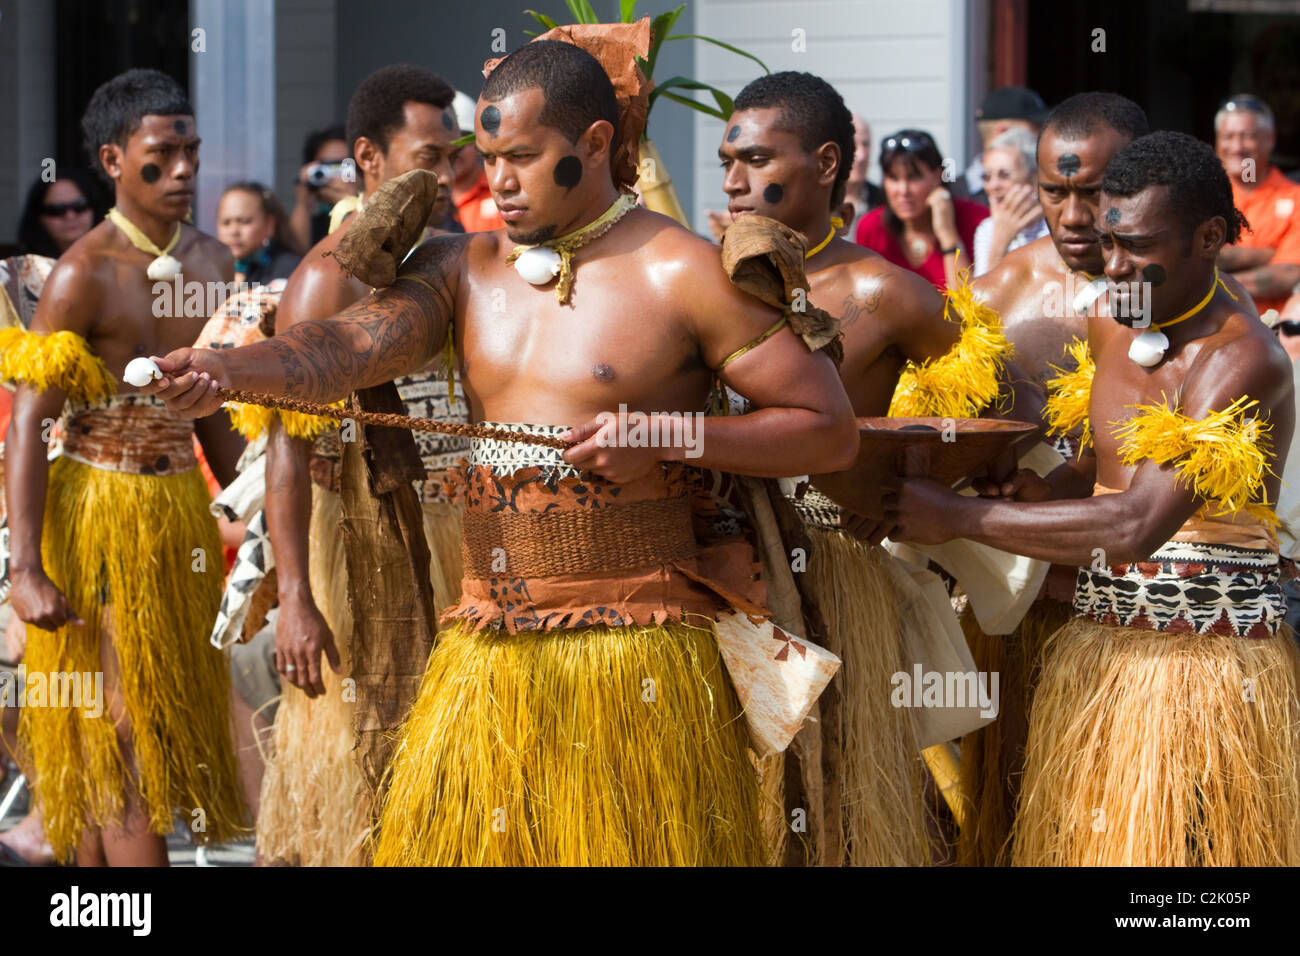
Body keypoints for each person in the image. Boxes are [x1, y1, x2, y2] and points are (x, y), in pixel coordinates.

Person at [144, 37, 858, 867]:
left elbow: (828, 428)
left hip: (639, 656)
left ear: (594, 144)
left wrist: (667, 436)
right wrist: (223, 368)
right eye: (487, 158)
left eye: (522, 157)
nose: (497, 183)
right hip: (486, 647)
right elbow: (342, 348)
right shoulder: (464, 267)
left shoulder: (682, 271)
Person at [897, 130, 1300, 866]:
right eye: (1109, 241)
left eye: (1136, 246)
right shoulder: (1117, 312)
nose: (1111, 266)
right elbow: (1108, 459)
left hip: (1204, 678)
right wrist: (1043, 489)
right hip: (1099, 657)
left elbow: (1138, 523)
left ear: (1211, 238)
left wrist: (959, 518)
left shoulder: (1243, 361)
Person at [720, 71, 1024, 865]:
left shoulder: (883, 291)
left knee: (848, 792)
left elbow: (1000, 407)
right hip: (721, 572)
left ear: (826, 163)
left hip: (838, 574)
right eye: (728, 159)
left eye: (757, 158)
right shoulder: (698, 277)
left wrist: (904, 486)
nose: (733, 180)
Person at [0, 68, 246, 866]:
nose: (183, 169)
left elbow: (210, 419)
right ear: (112, 159)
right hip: (94, 513)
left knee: (132, 725)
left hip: (178, 516)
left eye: (192, 151)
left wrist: (259, 508)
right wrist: (26, 569)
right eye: (162, 153)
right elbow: (30, 422)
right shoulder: (85, 271)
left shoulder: (213, 262)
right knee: (118, 721)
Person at [238, 64, 468, 867]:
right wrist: (296, 598)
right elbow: (287, 450)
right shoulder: (321, 280)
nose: (446, 175)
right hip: (358, 544)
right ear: (369, 157)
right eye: (429, 156)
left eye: (452, 157)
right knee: (368, 757)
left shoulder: (461, 259)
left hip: (462, 542)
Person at [958, 91, 1150, 865]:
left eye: (1095, 192)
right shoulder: (993, 295)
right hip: (1023, 611)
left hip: (1148, 625)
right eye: (1055, 191)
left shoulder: (1178, 299)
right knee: (1015, 821)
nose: (1073, 215)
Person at [855, 129, 988, 290]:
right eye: (893, 178)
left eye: (913, 177)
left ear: (937, 176)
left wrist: (948, 236)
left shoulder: (977, 221)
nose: (903, 190)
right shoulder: (871, 227)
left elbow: (971, 307)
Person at [1215, 94, 1300, 317]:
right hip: (1207, 329)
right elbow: (1187, 257)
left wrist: (1209, 281)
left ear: (1270, 139)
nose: (1237, 146)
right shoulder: (1201, 195)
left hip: (1273, 335)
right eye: (1228, 136)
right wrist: (1266, 255)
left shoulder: (1296, 197)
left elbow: (1289, 274)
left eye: (1248, 136)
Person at [972, 127, 1047, 276]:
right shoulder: (988, 229)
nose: (993, 186)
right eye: (987, 177)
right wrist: (1001, 239)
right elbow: (982, 296)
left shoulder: (1053, 225)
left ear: (1033, 180)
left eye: (1004, 175)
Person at [961, 86, 1046, 206]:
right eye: (1036, 128)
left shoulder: (1045, 188)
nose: (1042, 136)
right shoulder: (952, 194)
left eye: (1004, 175)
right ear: (1003, 132)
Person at [285, 124, 359, 253]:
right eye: (325, 167)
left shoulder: (377, 210)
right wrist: (303, 204)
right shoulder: (312, 225)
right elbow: (294, 255)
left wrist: (351, 203)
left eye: (342, 166)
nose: (333, 176)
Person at [216, 181, 300, 287]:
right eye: (226, 222)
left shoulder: (288, 269)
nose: (234, 231)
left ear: (269, 225)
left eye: (244, 221)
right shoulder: (210, 269)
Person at [449, 90, 505, 232]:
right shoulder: (425, 200)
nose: (455, 149)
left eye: (463, 139)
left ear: (479, 142)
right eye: (449, 141)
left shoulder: (502, 189)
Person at [16, 170, 105, 258]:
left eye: (79, 207)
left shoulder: (115, 261)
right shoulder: (25, 268)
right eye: (56, 210)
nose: (70, 216)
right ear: (38, 216)